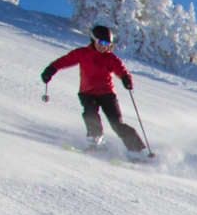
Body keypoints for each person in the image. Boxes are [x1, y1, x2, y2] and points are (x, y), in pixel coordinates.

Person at [40, 25, 149, 156]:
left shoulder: (110, 58)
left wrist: (126, 79)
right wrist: (51, 70)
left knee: (117, 124)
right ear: (94, 40)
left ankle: (137, 150)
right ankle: (95, 141)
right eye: (101, 42)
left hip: (107, 94)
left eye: (107, 43)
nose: (104, 46)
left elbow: (121, 70)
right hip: (87, 93)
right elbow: (65, 61)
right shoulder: (83, 53)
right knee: (90, 114)